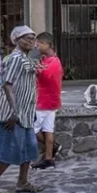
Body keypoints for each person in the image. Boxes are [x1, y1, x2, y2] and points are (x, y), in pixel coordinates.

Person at [0, 26, 43, 193]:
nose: (31, 40)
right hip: (12, 114)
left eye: (32, 37)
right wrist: (14, 112)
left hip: (26, 112)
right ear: (16, 40)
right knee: (10, 151)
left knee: (29, 149)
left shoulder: (26, 59)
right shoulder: (15, 59)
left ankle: (22, 181)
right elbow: (8, 86)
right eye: (26, 38)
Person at [32, 32, 63, 169]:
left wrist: (36, 70)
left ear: (46, 44)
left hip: (44, 101)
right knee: (48, 129)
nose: (36, 46)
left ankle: (52, 148)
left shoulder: (53, 63)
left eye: (38, 44)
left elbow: (45, 77)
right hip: (51, 101)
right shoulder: (48, 60)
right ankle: (49, 158)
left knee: (33, 129)